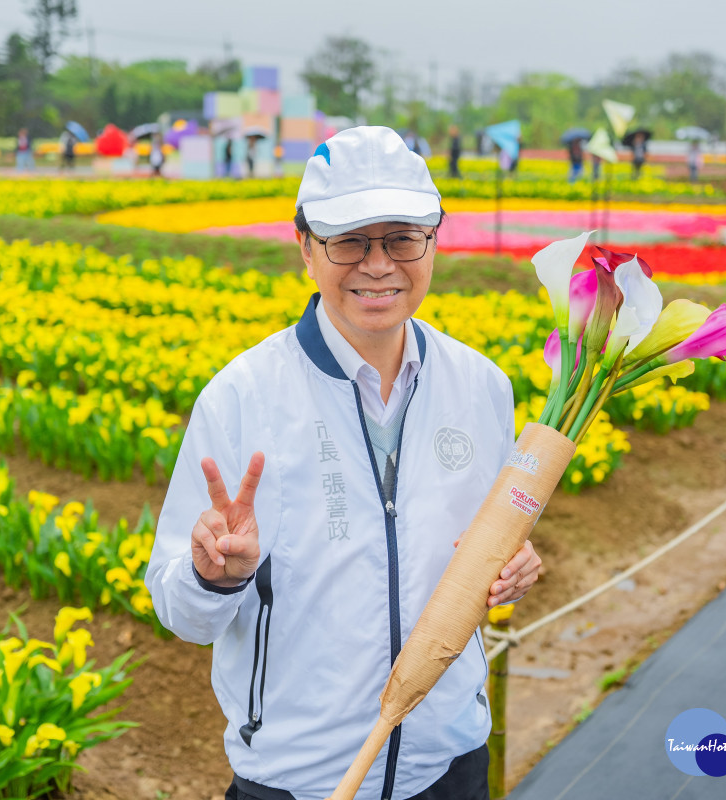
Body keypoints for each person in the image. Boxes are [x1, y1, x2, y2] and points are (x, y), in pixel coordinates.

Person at [145, 126, 542, 800]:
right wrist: (215, 577)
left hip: (447, 766)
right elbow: (181, 613)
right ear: (305, 247)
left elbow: (477, 549)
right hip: (300, 781)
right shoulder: (243, 396)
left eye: (401, 238)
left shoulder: (482, 387)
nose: (379, 264)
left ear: (434, 240)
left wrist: (512, 567)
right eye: (349, 241)